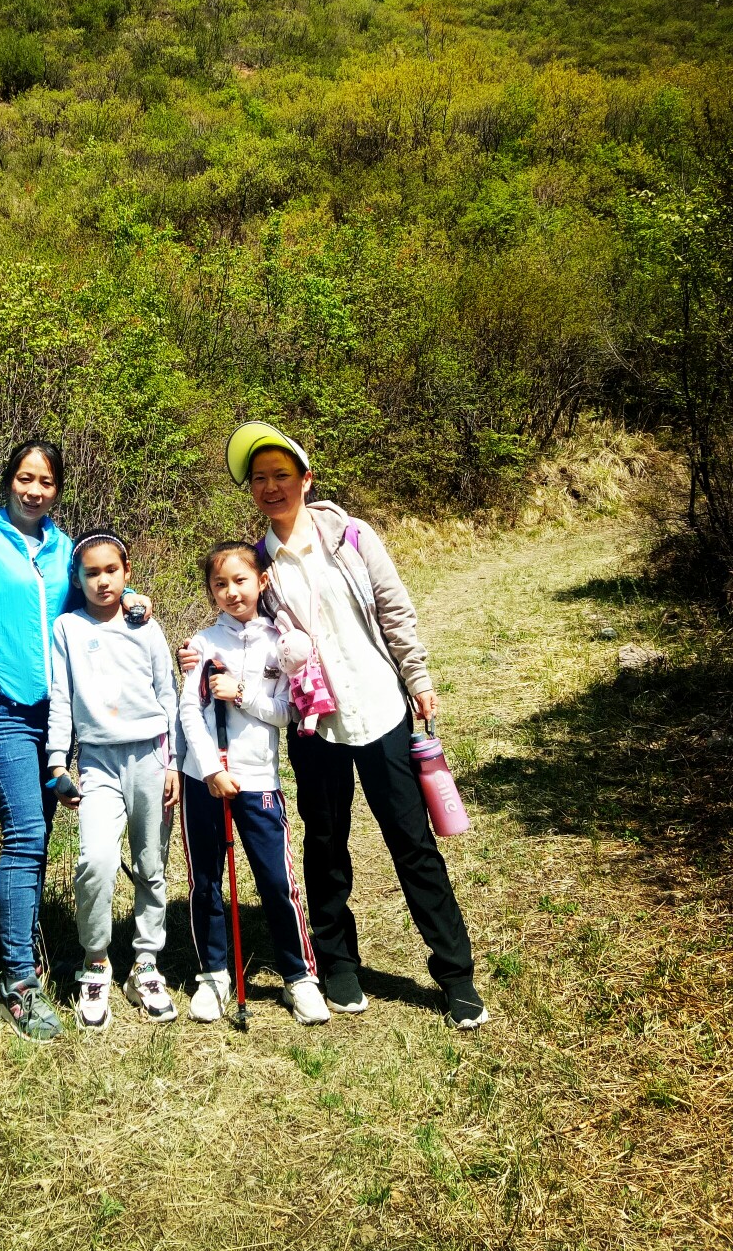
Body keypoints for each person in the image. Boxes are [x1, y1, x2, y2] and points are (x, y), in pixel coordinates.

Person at [223, 421, 488, 1029]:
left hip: (379, 707)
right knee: (324, 844)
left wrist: (417, 678)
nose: (270, 487)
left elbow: (395, 606)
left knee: (412, 842)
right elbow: (234, 618)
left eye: (281, 475)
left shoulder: (351, 536)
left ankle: (456, 974)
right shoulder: (257, 564)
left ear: (305, 479)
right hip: (316, 726)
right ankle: (338, 964)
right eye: (259, 479)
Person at [0, 440, 148, 1042]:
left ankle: (31, 945)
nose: (34, 490)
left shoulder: (62, 548)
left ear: (57, 489)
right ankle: (18, 980)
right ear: (8, 482)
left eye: (46, 481)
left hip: (61, 718)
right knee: (25, 833)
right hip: (2, 709)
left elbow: (90, 596)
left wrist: (127, 602)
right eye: (25, 478)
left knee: (40, 836)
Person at [178, 541, 329, 1026]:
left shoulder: (280, 643)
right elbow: (189, 713)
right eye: (220, 584)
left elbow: (287, 712)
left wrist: (241, 695)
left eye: (241, 580)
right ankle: (214, 974)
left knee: (277, 880)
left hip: (259, 777)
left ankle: (299, 976)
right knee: (206, 881)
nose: (231, 591)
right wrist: (210, 770)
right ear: (210, 592)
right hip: (204, 779)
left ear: (262, 581)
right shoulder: (202, 645)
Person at [47, 530, 179, 1030]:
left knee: (151, 864)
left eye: (111, 571)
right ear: (77, 580)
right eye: (91, 573)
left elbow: (168, 695)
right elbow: (62, 698)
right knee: (96, 861)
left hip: (152, 755)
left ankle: (146, 963)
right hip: (97, 760)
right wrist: (58, 763)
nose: (102, 580)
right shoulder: (67, 629)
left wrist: (173, 764)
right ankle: (95, 962)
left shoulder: (147, 626)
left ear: (127, 572)